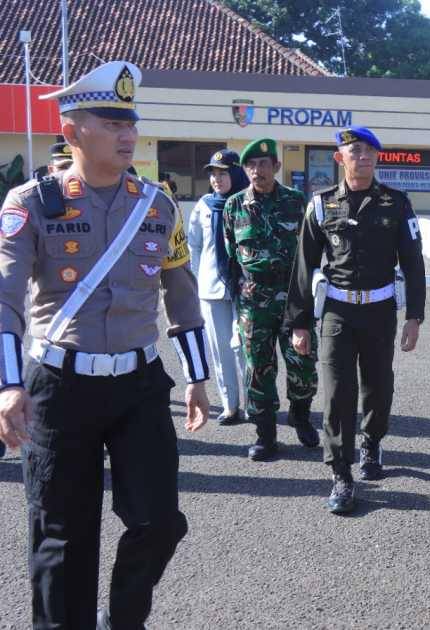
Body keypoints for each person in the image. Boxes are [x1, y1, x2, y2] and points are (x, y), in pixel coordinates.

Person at [0, 60, 210, 629]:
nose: (127, 134)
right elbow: (6, 298)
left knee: (159, 521)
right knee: (62, 537)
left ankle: (124, 619)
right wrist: (8, 385)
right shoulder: (29, 203)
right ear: (71, 131)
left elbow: (181, 292)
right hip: (59, 387)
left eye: (130, 122)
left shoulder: (157, 205)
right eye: (111, 121)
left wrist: (197, 375)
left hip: (138, 384)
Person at [285, 126, 426, 514]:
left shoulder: (396, 203)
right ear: (339, 158)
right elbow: (304, 266)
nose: (363, 157)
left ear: (377, 158)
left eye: (369, 151)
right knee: (336, 392)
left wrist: (415, 316)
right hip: (337, 311)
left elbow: (413, 263)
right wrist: (299, 323)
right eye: (355, 150)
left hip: (380, 311)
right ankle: (341, 473)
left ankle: (372, 441)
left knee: (378, 386)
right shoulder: (321, 204)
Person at [222, 137, 319, 461]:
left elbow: (309, 253)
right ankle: (265, 435)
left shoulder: (296, 201)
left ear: (276, 167)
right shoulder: (234, 206)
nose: (257, 170)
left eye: (264, 164)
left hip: (293, 298)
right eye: (251, 165)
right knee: (258, 369)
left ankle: (301, 417)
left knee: (302, 364)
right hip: (254, 302)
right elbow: (229, 257)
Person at [188, 149, 249, 426]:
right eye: (213, 173)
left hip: (245, 287)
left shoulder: (249, 201)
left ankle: (252, 404)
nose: (216, 179)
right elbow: (195, 246)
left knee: (244, 348)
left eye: (222, 173)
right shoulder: (203, 205)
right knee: (220, 349)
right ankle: (230, 405)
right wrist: (198, 281)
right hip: (212, 288)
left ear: (236, 173)